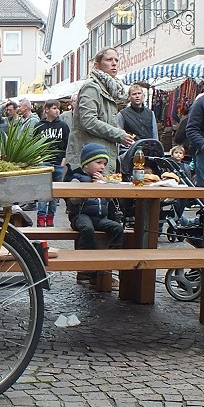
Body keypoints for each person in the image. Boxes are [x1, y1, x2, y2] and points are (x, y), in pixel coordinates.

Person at [65, 47, 135, 176]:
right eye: (109, 60)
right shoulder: (92, 87)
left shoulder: (111, 89)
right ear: (97, 65)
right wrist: (120, 135)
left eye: (116, 60)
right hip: (88, 162)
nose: (114, 63)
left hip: (101, 159)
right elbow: (89, 121)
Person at [66, 143, 125, 280]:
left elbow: (109, 199)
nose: (102, 167)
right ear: (86, 165)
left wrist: (104, 186)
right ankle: (85, 264)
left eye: (104, 163)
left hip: (99, 217)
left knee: (117, 228)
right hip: (81, 215)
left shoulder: (103, 180)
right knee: (87, 229)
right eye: (98, 163)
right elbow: (73, 199)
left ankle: (113, 258)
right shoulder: (77, 179)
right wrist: (92, 188)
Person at [35, 100, 70, 227]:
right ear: (47, 110)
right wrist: (39, 159)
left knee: (56, 194)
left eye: (58, 108)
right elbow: (34, 144)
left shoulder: (63, 126)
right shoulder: (39, 126)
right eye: (54, 108)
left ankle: (51, 217)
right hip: (44, 162)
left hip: (58, 162)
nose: (57, 111)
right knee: (44, 192)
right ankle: (41, 217)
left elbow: (67, 144)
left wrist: (63, 161)